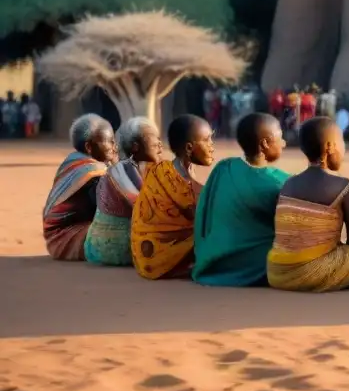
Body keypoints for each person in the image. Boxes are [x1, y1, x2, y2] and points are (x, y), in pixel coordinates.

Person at [266, 117, 349, 291]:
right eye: (341, 142)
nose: (344, 149)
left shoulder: (288, 184)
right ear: (329, 146)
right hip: (312, 272)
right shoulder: (343, 186)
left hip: (277, 272)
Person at [193, 114, 289, 287]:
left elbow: (204, 210)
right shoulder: (280, 182)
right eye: (280, 138)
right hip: (254, 264)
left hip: (214, 259)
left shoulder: (224, 167)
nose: (284, 143)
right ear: (265, 144)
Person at [131, 115, 215, 280]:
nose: (212, 146)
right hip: (159, 257)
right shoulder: (176, 183)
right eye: (207, 140)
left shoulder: (165, 169)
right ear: (189, 148)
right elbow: (201, 219)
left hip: (143, 254)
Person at [84, 117, 161, 266]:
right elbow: (144, 209)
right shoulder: (122, 170)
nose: (159, 144)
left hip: (107, 246)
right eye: (153, 140)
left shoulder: (139, 169)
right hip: (112, 249)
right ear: (135, 147)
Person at [44, 114, 116, 260]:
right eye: (109, 141)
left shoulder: (73, 162)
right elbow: (109, 210)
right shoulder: (91, 174)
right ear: (89, 147)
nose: (114, 147)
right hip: (65, 238)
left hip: (59, 236)